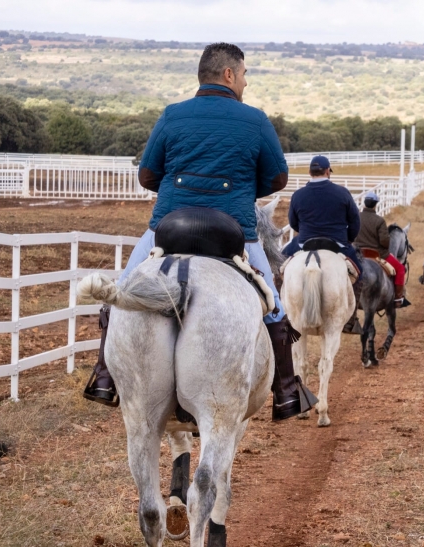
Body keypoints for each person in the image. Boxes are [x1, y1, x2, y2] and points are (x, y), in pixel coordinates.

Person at [83, 42, 316, 423]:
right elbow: (277, 178)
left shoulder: (172, 115)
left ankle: (104, 378)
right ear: (229, 74)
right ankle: (287, 392)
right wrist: (241, 188)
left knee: (121, 292)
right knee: (274, 305)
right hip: (234, 229)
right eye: (244, 75)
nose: (245, 82)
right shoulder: (256, 120)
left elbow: (147, 175)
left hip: (169, 225)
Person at [281, 155, 363, 332]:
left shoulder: (298, 195)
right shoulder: (342, 193)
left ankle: (282, 314)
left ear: (309, 172)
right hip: (338, 244)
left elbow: (293, 223)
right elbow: (355, 222)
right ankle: (351, 319)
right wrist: (348, 239)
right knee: (359, 272)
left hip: (304, 243)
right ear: (327, 171)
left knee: (280, 267)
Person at [354, 191, 409, 308]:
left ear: (364, 203)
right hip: (376, 254)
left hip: (357, 253)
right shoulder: (379, 220)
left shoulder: (356, 217)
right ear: (375, 205)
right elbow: (384, 241)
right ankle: (398, 298)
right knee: (400, 269)